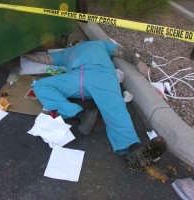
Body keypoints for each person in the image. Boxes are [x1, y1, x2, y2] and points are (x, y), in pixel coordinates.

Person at [24, 40, 166, 170]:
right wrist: (22, 52)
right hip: (90, 76)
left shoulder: (94, 45)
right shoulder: (75, 50)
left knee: (114, 107)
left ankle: (134, 149)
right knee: (42, 86)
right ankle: (82, 115)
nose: (77, 42)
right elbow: (46, 59)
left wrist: (138, 63)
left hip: (89, 77)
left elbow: (121, 51)